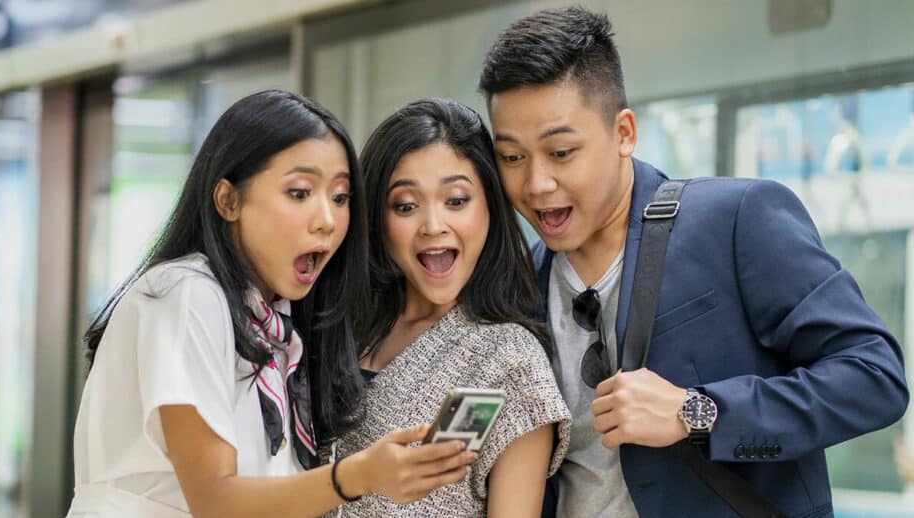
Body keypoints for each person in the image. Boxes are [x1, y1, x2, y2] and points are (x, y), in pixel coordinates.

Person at [478, 7, 909, 518]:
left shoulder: (736, 218)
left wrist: (696, 412)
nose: (536, 184)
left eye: (562, 152)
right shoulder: (517, 287)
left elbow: (874, 377)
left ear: (624, 134)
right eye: (511, 158)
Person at [66, 90, 475, 518]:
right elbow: (216, 501)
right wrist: (357, 476)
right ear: (228, 200)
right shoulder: (186, 293)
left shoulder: (275, 322)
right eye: (299, 193)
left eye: (339, 197)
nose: (328, 219)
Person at [332, 98, 571, 517]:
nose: (433, 225)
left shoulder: (505, 360)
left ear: (490, 209)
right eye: (405, 205)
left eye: (456, 200)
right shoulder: (342, 327)